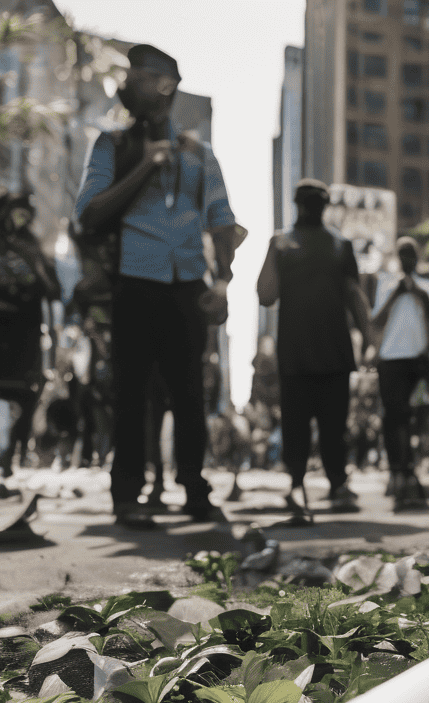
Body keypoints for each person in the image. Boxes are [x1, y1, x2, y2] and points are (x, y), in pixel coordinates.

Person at [75, 44, 238, 529]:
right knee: (129, 392)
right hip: (133, 282)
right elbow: (88, 214)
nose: (126, 83)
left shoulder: (200, 155)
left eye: (137, 75)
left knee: (189, 394)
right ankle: (126, 495)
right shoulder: (111, 145)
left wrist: (222, 283)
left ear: (165, 85)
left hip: (187, 286)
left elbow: (222, 221)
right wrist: (145, 165)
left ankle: (194, 487)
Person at [257, 178, 372, 520]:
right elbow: (266, 295)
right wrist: (271, 251)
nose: (313, 207)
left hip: (321, 352)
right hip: (307, 353)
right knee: (309, 426)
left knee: (326, 426)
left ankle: (327, 484)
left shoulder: (336, 244)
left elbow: (354, 294)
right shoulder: (288, 242)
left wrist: (369, 338)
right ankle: (306, 484)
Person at [370, 237, 429, 511]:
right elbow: (376, 320)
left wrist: (419, 294)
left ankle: (409, 469)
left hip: (418, 362)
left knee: (417, 415)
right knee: (393, 416)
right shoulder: (386, 284)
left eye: (412, 254)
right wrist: (397, 293)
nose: (408, 259)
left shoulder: (427, 287)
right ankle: (398, 471)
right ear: (397, 258)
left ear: (417, 257)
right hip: (391, 360)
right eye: (403, 254)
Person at [0, 190, 59, 491]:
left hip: (23, 336)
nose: (20, 219)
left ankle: (8, 458)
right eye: (16, 212)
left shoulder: (31, 247)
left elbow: (52, 289)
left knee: (22, 398)